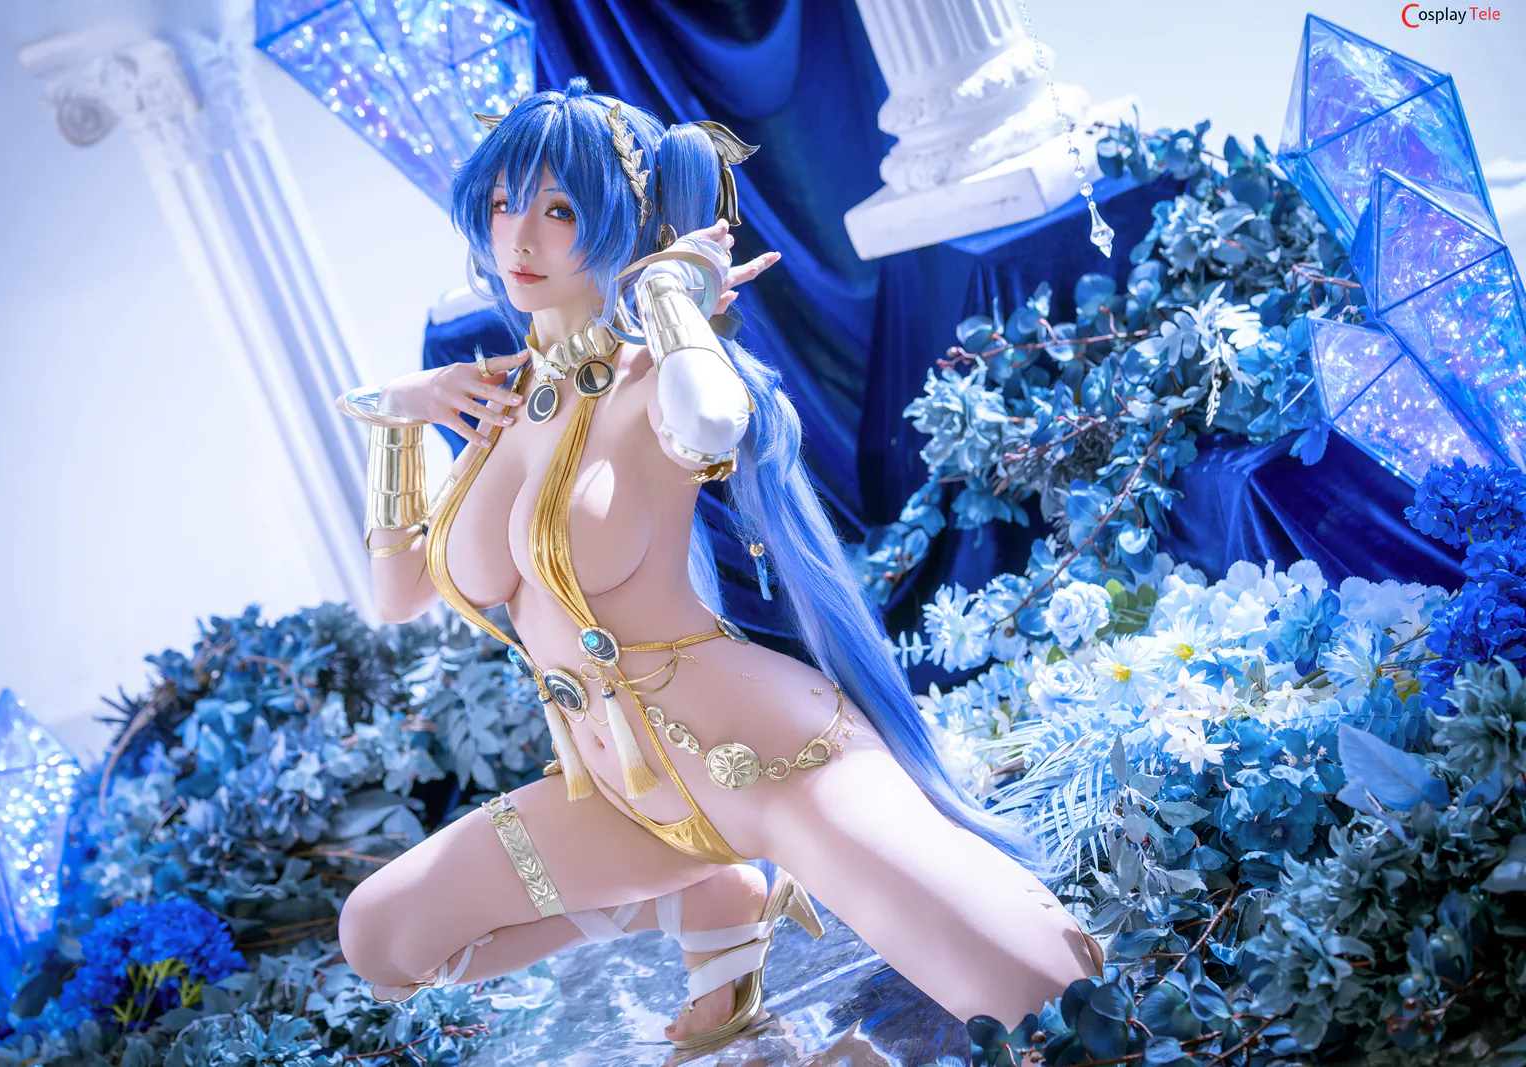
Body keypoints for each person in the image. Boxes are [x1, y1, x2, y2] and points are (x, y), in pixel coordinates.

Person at [333, 77, 1102, 1056]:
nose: (518, 237)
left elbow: (710, 423)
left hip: (766, 761)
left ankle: (759, 886)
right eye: (499, 204)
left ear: (622, 221)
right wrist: (398, 421)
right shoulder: (495, 405)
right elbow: (398, 595)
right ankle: (715, 897)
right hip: (620, 798)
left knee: (1046, 1001)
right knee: (381, 937)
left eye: (558, 210)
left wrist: (667, 295)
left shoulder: (659, 372)